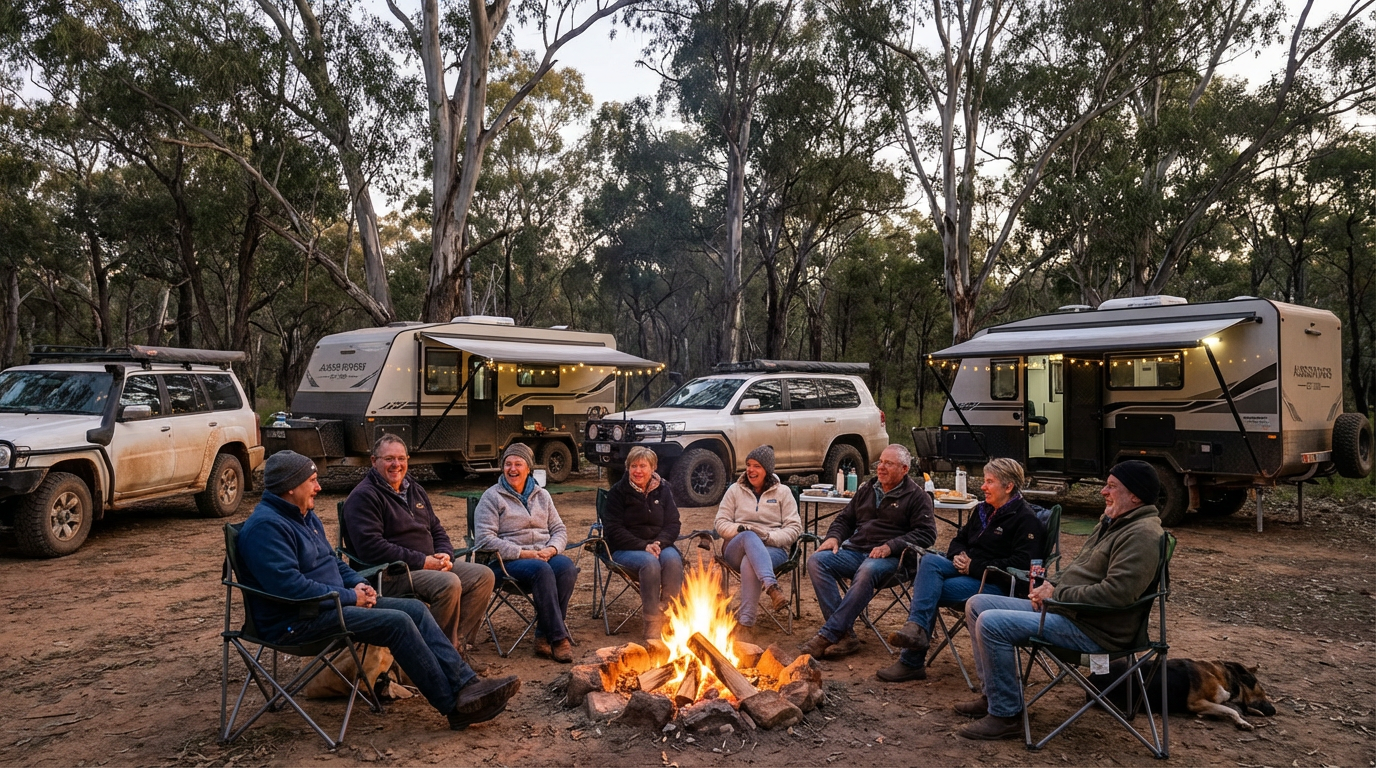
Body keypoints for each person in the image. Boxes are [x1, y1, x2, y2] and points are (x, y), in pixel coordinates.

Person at [236, 451, 519, 730]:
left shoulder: (304, 516)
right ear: (290, 486)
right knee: (397, 622)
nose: (319, 487)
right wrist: (350, 596)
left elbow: (332, 561)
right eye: (312, 480)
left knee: (416, 610)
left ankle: (466, 684)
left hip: (330, 604)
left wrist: (359, 584)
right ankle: (452, 706)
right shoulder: (266, 527)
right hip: (296, 621)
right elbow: (290, 588)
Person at [955, 460, 1165, 740]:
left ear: (1136, 495)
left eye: (1112, 486)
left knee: (993, 623)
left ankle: (1006, 716)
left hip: (1096, 630)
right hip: (1072, 613)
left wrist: (1058, 595)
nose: (1103, 491)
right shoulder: (1112, 522)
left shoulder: (1142, 535)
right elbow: (1078, 567)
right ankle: (994, 696)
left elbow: (1117, 594)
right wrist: (1048, 585)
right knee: (978, 603)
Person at [878, 458, 1045, 683]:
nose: (983, 487)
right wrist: (959, 556)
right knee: (928, 561)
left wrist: (973, 565)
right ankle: (915, 629)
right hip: (966, 570)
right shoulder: (982, 510)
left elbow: (1023, 565)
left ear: (1008, 487)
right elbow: (959, 540)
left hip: (994, 583)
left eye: (989, 482)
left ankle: (911, 662)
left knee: (928, 589)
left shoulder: (1026, 519)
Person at [340, 435, 496, 651]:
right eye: (389, 459)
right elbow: (372, 548)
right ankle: (432, 652)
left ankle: (453, 647)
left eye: (401, 458)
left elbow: (436, 528)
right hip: (389, 573)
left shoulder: (414, 488)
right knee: (449, 583)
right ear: (373, 461)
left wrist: (445, 554)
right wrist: (423, 561)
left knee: (483, 575)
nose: (397, 465)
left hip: (427, 564)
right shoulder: (364, 496)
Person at [799, 444, 937, 659]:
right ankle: (844, 634)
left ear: (904, 469)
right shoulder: (867, 489)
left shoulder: (917, 496)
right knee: (817, 561)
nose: (881, 468)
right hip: (856, 551)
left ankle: (829, 634)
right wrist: (833, 537)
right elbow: (845, 519)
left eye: (888, 463)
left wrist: (891, 546)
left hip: (894, 561)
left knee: (867, 569)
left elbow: (927, 534)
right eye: (880, 462)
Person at [473, 443, 578, 663]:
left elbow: (559, 529)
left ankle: (542, 634)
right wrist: (523, 553)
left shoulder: (542, 496)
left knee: (566, 567)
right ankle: (558, 638)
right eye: (508, 464)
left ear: (528, 468)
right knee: (542, 570)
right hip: (505, 563)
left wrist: (552, 549)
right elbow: (485, 540)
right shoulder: (492, 497)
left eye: (518, 464)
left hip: (542, 556)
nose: (512, 469)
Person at [714, 445, 802, 636]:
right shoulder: (735, 491)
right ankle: (771, 586)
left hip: (772, 549)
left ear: (767, 470)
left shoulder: (783, 492)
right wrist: (738, 529)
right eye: (748, 465)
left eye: (757, 466)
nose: (751, 470)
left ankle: (746, 621)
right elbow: (720, 522)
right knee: (748, 535)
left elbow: (794, 528)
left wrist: (769, 537)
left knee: (750, 561)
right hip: (736, 546)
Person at [603, 445, 683, 642]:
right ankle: (652, 621)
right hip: (624, 548)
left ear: (653, 468)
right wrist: (643, 546)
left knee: (673, 560)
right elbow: (613, 530)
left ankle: (669, 614)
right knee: (650, 563)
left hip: (658, 544)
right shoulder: (617, 493)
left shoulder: (663, 490)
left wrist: (659, 542)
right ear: (627, 468)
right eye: (633, 466)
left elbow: (673, 523)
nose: (637, 471)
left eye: (643, 466)